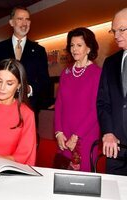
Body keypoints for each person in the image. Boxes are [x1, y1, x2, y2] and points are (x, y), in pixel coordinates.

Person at [0, 6, 51, 114]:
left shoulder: (39, 51)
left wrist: (30, 89)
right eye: (20, 19)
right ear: (11, 22)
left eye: (27, 19)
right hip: (0, 109)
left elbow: (45, 82)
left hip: (28, 108)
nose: (24, 23)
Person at [54, 27, 101, 172]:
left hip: (86, 135)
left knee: (83, 181)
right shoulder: (65, 73)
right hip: (65, 135)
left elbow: (96, 109)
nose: (74, 49)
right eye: (72, 45)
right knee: (64, 177)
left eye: (79, 45)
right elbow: (59, 104)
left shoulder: (97, 73)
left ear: (89, 48)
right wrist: (58, 132)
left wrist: (76, 136)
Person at [97, 8, 127, 175]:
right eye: (114, 31)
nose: (116, 36)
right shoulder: (110, 63)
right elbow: (103, 102)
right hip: (115, 149)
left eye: (121, 30)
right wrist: (108, 132)